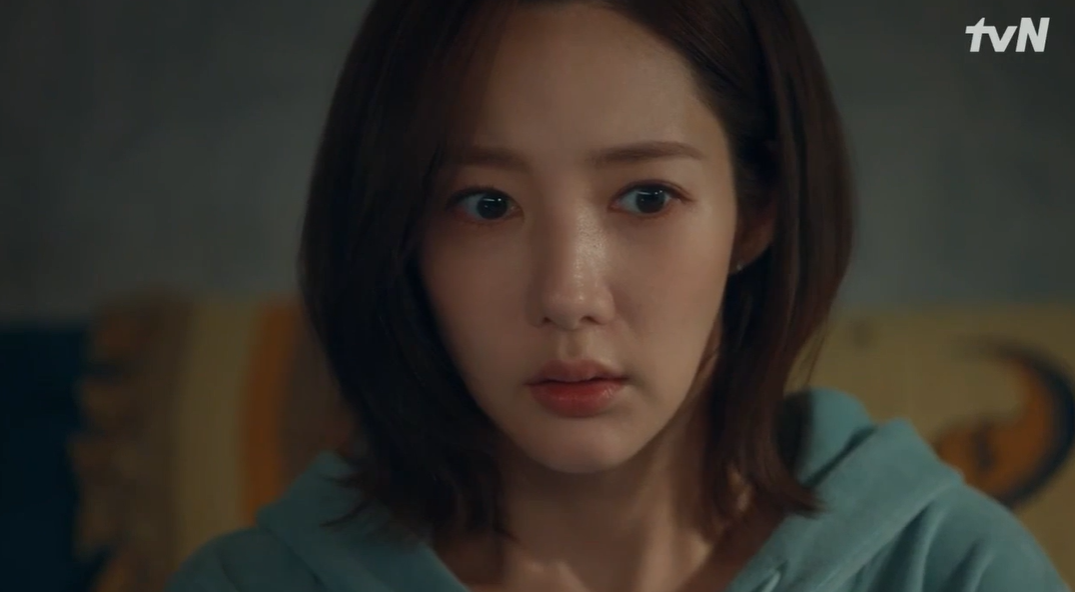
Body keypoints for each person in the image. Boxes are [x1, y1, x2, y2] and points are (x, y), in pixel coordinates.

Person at [167, 0, 1069, 590]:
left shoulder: (948, 570)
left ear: (756, 209)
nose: (568, 295)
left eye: (645, 198)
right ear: (398, 227)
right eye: (486, 205)